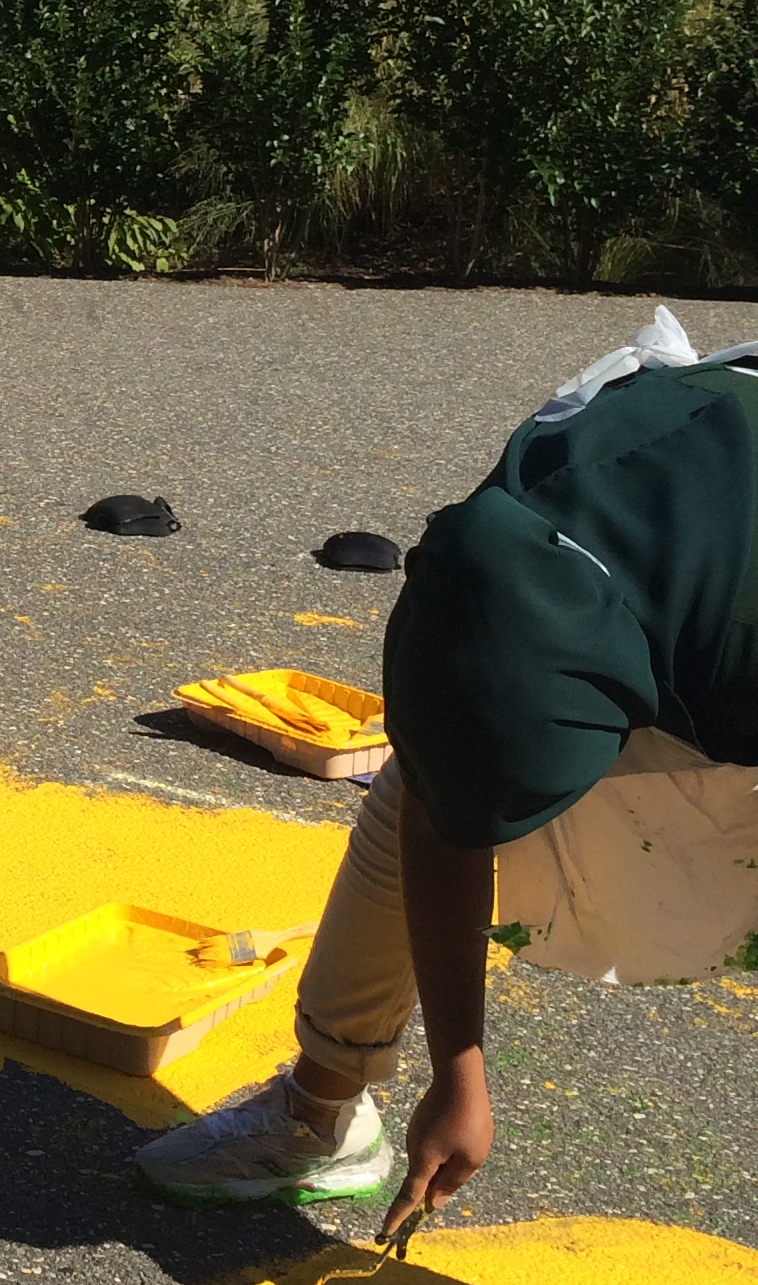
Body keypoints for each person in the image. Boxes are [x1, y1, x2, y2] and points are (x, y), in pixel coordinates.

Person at [138, 349, 758, 1234]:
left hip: (721, 625)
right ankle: (319, 1111)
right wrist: (458, 1077)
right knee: (428, 776)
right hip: (686, 561)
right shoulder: (507, 528)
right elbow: (439, 808)